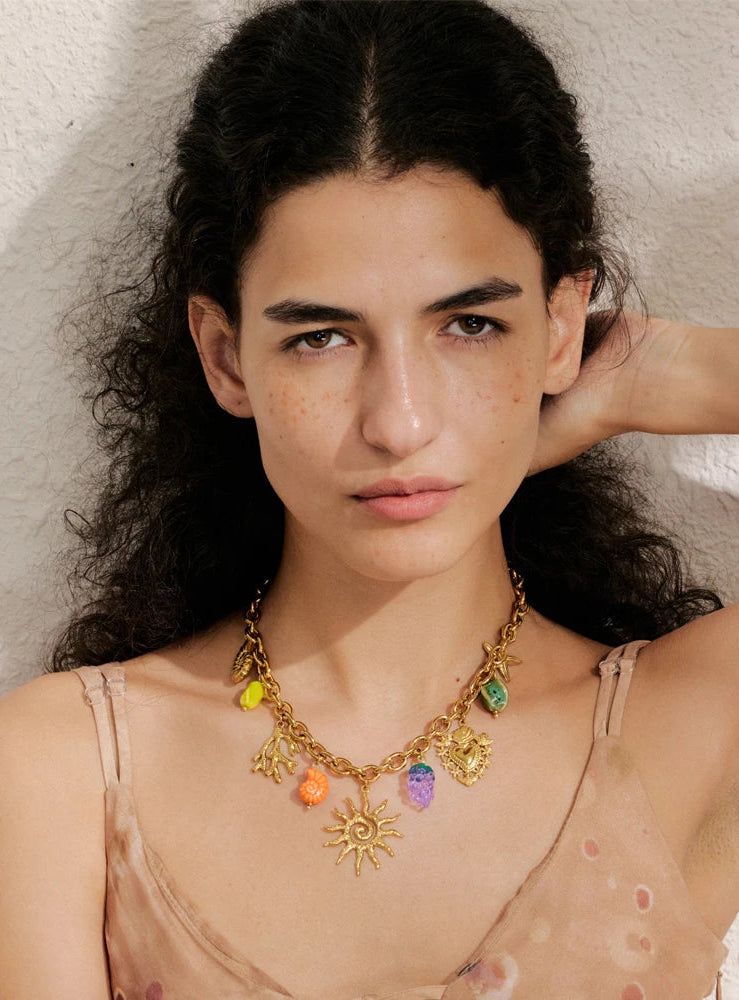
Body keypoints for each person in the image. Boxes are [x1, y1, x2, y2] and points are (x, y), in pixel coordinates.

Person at [0, 1, 737, 997]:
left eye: (469, 325)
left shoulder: (689, 718)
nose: (398, 422)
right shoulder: (66, 769)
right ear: (225, 356)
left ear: (560, 325)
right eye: (321, 337)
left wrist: (674, 375)